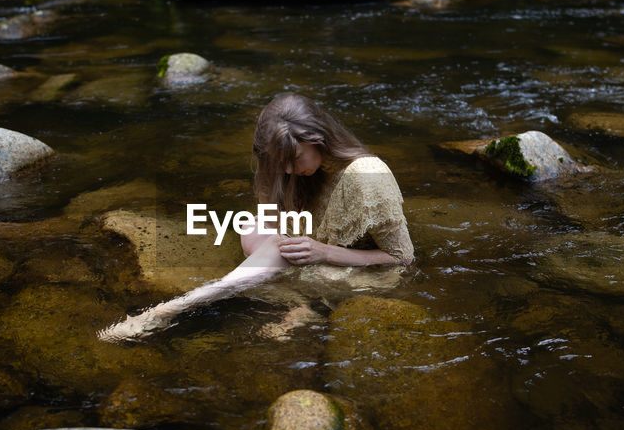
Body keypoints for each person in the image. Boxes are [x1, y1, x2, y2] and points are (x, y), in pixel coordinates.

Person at [98, 93, 413, 342]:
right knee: (253, 228)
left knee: (274, 249)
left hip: (365, 272)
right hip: (314, 253)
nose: (289, 171)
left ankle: (172, 309)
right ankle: (305, 306)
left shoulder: (367, 174)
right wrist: (277, 236)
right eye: (281, 163)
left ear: (319, 138)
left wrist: (324, 252)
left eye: (295, 159)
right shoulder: (291, 168)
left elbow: (402, 260)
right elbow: (271, 215)